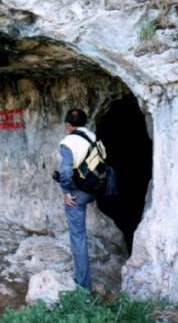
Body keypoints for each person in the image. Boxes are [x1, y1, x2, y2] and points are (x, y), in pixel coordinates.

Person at [56, 108, 103, 290]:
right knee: (79, 233)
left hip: (79, 193)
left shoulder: (68, 142)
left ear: (68, 125)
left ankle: (82, 285)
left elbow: (66, 172)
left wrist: (66, 191)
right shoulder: (93, 137)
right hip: (96, 189)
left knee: (78, 235)